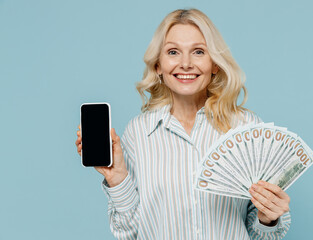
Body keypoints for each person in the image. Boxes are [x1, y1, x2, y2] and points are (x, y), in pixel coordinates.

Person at [75, 8, 291, 240]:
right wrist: (117, 179)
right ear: (158, 65)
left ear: (215, 64)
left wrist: (269, 218)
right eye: (173, 52)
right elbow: (128, 233)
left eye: (198, 51)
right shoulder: (138, 132)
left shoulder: (246, 127)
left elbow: (263, 235)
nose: (185, 63)